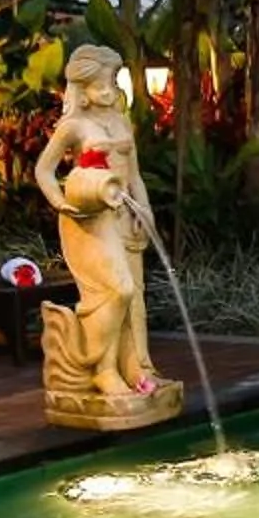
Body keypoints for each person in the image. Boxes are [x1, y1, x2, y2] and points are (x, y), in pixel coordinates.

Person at [30, 44, 161, 397]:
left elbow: (134, 176)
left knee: (135, 298)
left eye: (112, 83)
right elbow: (43, 170)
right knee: (114, 291)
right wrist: (60, 202)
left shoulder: (120, 119)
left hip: (125, 214)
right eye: (100, 85)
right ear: (82, 90)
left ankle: (136, 369)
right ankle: (103, 370)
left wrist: (144, 211)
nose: (108, 91)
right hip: (90, 217)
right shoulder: (74, 125)